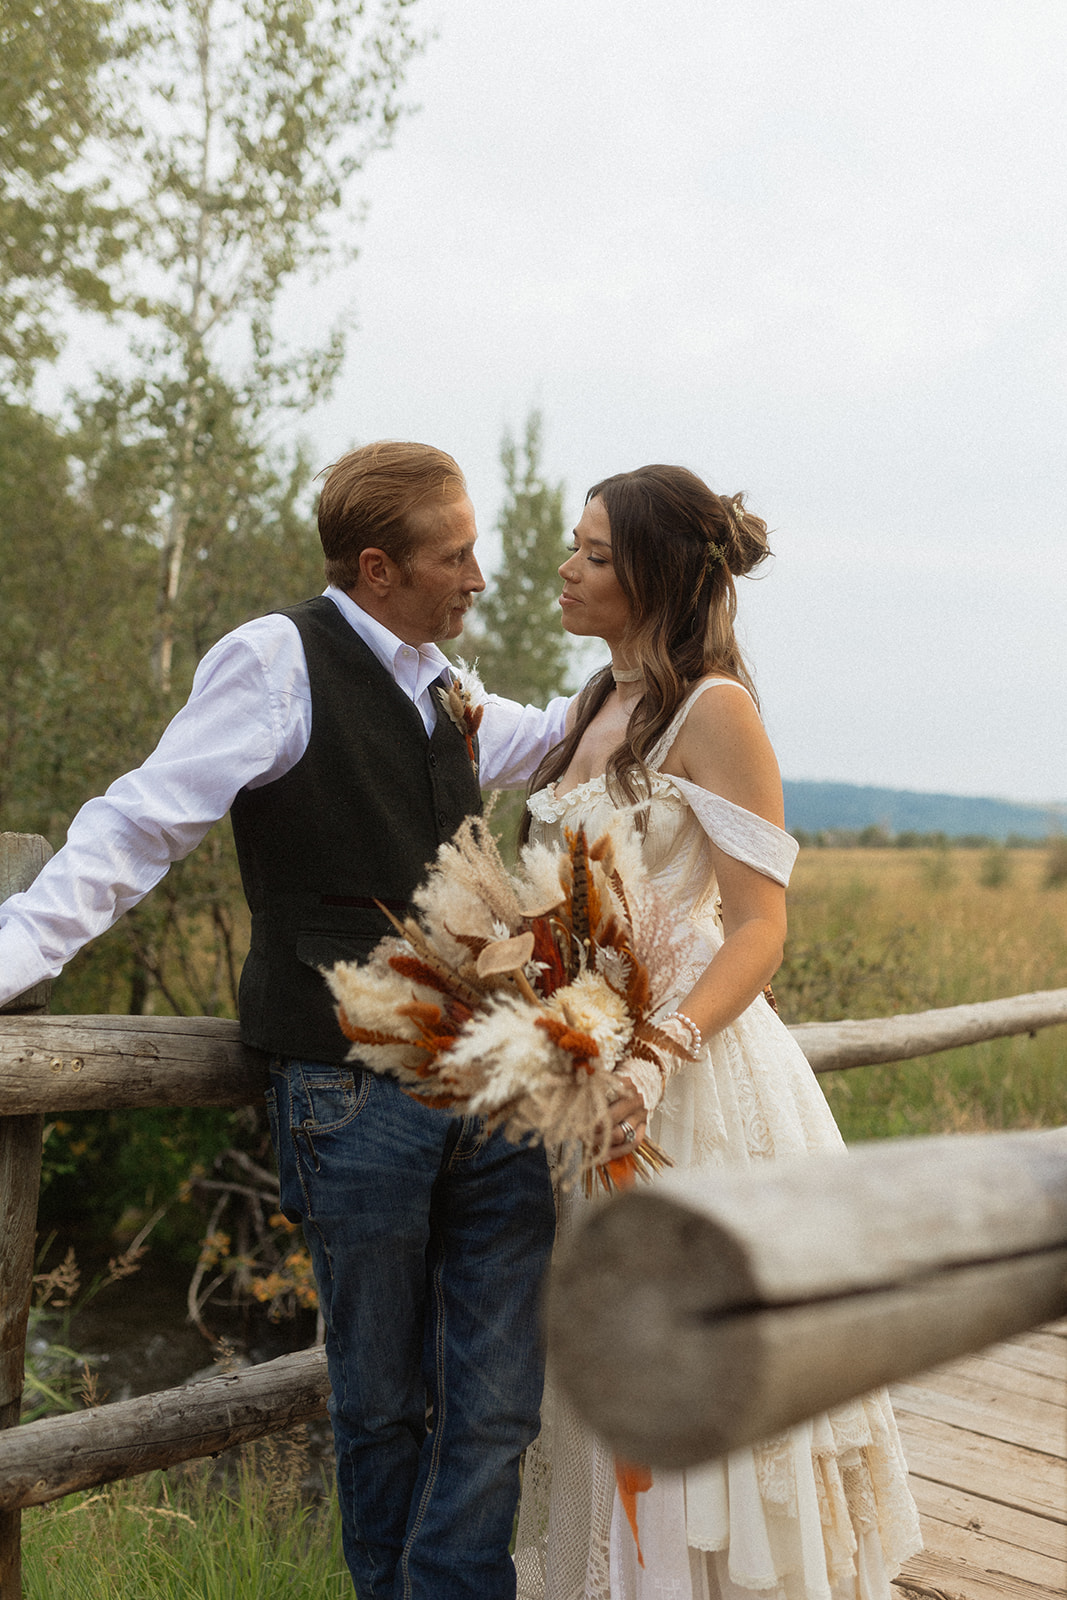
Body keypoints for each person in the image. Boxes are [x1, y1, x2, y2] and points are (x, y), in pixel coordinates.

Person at [0, 439, 642, 1600]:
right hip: (349, 1096)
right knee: (383, 1403)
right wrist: (12, 955)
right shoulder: (273, 660)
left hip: (490, 1084)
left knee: (498, 1399)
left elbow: (552, 738)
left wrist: (656, 647)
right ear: (376, 566)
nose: (480, 576)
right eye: (457, 556)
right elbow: (138, 825)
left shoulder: (443, 684)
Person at [512, 465, 922, 1600]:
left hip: (689, 1085)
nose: (567, 566)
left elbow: (757, 925)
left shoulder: (714, 711)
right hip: (586, 1081)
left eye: (593, 553)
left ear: (647, 574)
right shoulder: (594, 705)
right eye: (574, 545)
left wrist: (655, 1053)